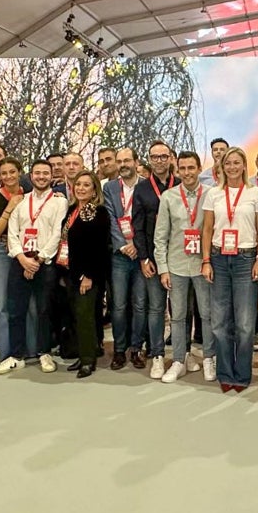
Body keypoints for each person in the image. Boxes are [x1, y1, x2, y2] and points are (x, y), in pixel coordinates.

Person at [202, 147, 258, 392]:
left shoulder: (255, 193)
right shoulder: (213, 194)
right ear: (222, 166)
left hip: (245, 258)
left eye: (237, 163)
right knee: (219, 322)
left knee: (245, 324)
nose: (232, 167)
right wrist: (206, 260)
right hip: (218, 258)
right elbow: (207, 229)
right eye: (228, 163)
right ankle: (225, 372)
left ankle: (242, 373)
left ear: (244, 165)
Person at [0, 160, 68, 374]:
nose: (41, 177)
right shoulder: (20, 201)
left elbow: (58, 233)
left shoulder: (59, 202)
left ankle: (44, 353)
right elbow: (12, 232)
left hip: (44, 263)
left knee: (44, 310)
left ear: (51, 176)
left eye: (45, 173)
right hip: (20, 261)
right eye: (37, 173)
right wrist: (22, 258)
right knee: (15, 310)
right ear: (30, 176)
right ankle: (15, 355)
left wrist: (38, 260)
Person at [155, 151, 216, 383]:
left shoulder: (211, 195)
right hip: (177, 265)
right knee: (178, 316)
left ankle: (209, 357)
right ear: (177, 170)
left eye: (192, 168)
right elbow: (160, 236)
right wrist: (163, 268)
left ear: (199, 168)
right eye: (183, 168)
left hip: (203, 265)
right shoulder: (168, 197)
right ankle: (179, 359)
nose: (188, 173)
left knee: (208, 314)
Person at [60, 171, 112, 378]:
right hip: (72, 272)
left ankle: (88, 361)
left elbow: (99, 248)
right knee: (77, 315)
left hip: (88, 275)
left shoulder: (98, 213)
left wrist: (89, 275)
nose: (81, 188)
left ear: (94, 190)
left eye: (86, 185)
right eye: (78, 184)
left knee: (86, 316)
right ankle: (83, 355)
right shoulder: (73, 209)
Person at [135, 140, 178, 378]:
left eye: (164, 156)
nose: (159, 161)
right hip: (153, 258)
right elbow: (137, 226)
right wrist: (143, 258)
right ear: (149, 160)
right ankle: (158, 354)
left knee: (181, 310)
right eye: (155, 157)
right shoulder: (142, 189)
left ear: (171, 158)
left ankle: (182, 354)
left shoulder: (181, 185)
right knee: (156, 308)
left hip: (181, 258)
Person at [104, 147, 148, 370]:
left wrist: (137, 246)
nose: (123, 164)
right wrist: (123, 245)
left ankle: (136, 349)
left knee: (140, 305)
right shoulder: (110, 188)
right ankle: (119, 350)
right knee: (119, 305)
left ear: (136, 162)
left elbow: (150, 220)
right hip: (120, 255)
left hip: (141, 255)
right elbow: (110, 218)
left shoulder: (147, 186)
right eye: (119, 161)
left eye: (127, 160)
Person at [0, 157, 26, 366]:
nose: (9, 176)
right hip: (2, 250)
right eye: (4, 173)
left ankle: (28, 350)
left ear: (19, 171)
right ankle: (6, 353)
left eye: (12, 171)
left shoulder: (29, 193)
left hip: (25, 249)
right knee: (3, 305)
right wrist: (10, 207)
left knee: (26, 303)